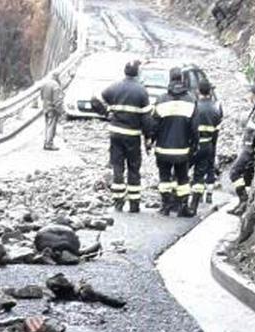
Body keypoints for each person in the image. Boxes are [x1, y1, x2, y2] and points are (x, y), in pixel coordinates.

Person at [91, 60, 151, 213]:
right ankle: (134, 203)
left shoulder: (114, 87)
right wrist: (148, 137)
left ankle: (118, 201)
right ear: (137, 73)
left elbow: (94, 99)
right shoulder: (141, 91)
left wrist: (105, 113)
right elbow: (146, 119)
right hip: (132, 135)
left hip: (116, 133)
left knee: (117, 167)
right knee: (133, 168)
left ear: (124, 72)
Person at [147, 67, 198, 217]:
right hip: (182, 150)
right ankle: (182, 206)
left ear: (169, 79)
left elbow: (153, 125)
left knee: (164, 178)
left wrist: (151, 141)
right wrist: (194, 144)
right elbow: (195, 127)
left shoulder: (161, 100)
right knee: (182, 179)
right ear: (182, 79)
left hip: (163, 149)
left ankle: (166, 206)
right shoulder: (190, 100)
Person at [228, 84, 255, 216]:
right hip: (248, 147)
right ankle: (242, 203)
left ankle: (243, 200)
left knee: (234, 172)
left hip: (249, 148)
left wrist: (253, 142)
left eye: (248, 92)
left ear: (253, 94)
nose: (246, 95)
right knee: (245, 176)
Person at [190, 79, 223, 206]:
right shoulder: (215, 109)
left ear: (198, 91)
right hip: (208, 144)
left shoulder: (195, 107)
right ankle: (196, 203)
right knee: (201, 174)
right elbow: (216, 130)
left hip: (194, 145)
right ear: (210, 91)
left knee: (182, 172)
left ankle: (178, 200)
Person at [41, 71, 64, 151]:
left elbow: (41, 96)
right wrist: (61, 111)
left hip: (45, 107)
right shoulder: (56, 86)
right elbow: (57, 101)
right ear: (57, 77)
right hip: (52, 109)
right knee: (51, 126)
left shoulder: (45, 83)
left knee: (47, 125)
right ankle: (49, 143)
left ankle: (46, 141)